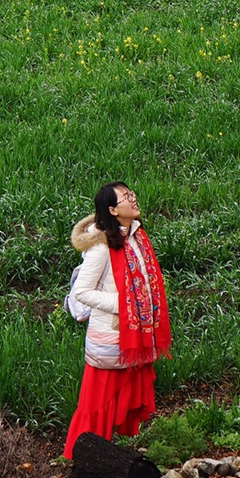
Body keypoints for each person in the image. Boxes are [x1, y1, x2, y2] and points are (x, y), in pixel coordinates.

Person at [62, 181, 170, 458]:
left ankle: (104, 457)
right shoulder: (101, 246)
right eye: (126, 197)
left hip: (133, 337)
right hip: (111, 337)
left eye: (132, 194)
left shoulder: (136, 237)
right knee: (98, 404)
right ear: (112, 210)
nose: (133, 200)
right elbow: (82, 292)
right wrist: (124, 305)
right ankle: (84, 456)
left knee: (119, 398)